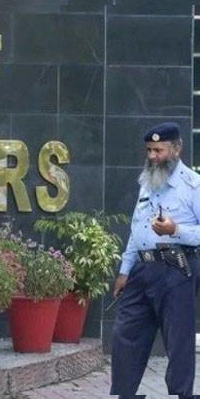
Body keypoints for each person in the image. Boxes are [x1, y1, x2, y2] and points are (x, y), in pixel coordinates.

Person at [110, 122, 200, 398]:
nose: (152, 156)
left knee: (178, 339)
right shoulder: (147, 183)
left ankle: (180, 394)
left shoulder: (193, 186)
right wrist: (125, 271)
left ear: (177, 149)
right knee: (125, 332)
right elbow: (136, 230)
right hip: (141, 268)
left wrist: (175, 230)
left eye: (158, 150)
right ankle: (124, 393)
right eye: (149, 150)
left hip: (176, 269)